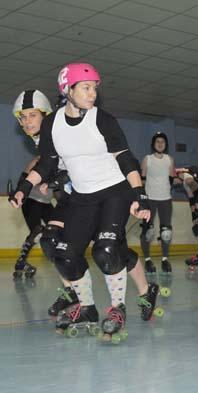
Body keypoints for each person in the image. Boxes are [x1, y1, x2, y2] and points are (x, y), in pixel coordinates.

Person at [10, 63, 155, 341]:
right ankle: (87, 308)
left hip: (115, 191)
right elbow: (47, 163)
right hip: (82, 196)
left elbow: (126, 159)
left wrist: (140, 196)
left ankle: (117, 309)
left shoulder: (103, 120)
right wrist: (24, 188)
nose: (93, 94)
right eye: (86, 88)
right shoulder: (53, 123)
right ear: (68, 90)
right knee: (64, 253)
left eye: (94, 88)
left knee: (106, 251)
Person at [11, 90, 55, 279]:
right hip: (32, 201)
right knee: (38, 232)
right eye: (24, 117)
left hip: (45, 202)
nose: (27, 121)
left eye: (32, 115)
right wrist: (19, 192)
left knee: (55, 232)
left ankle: (22, 262)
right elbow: (25, 179)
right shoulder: (38, 160)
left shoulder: (50, 153)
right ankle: (21, 262)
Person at [140, 132, 176, 274]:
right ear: (153, 144)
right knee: (147, 231)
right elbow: (141, 181)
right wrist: (142, 200)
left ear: (165, 145)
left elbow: (171, 179)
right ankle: (148, 260)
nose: (160, 144)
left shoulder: (169, 160)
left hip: (165, 199)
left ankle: (164, 260)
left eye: (163, 142)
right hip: (149, 199)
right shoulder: (147, 159)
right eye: (157, 142)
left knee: (166, 232)